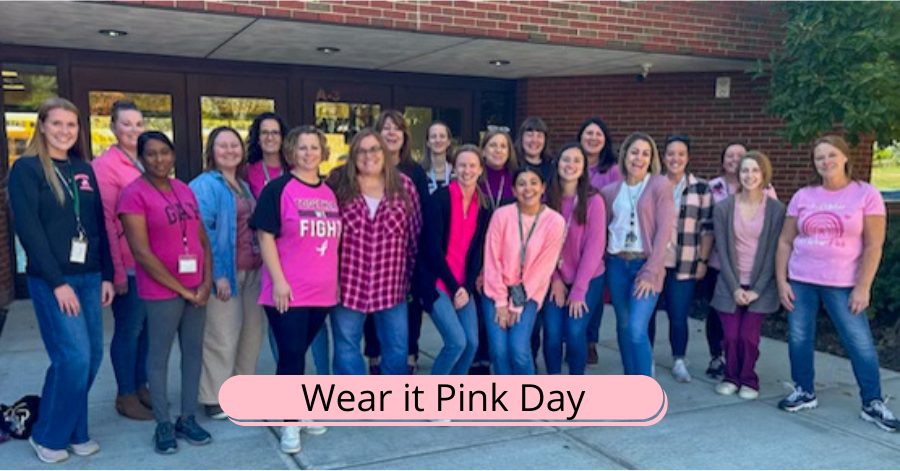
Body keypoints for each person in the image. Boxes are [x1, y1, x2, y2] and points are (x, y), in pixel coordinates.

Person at [9, 97, 114, 463]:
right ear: (41, 126)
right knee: (74, 357)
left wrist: (108, 275)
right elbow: (29, 230)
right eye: (57, 124)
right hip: (54, 280)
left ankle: (75, 430)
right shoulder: (26, 169)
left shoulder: (82, 168)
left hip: (90, 275)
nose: (65, 131)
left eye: (71, 125)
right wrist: (57, 282)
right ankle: (49, 435)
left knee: (91, 356)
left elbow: (98, 225)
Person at [775, 135, 899, 432]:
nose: (826, 162)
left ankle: (872, 402)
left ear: (845, 157)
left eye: (831, 155)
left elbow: (873, 245)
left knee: (859, 342)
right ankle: (804, 391)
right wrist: (782, 281)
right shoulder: (804, 196)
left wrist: (863, 286)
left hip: (843, 283)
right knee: (799, 338)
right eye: (820, 157)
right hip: (802, 280)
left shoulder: (865, 194)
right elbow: (785, 240)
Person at [119, 131, 214, 454]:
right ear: (141, 158)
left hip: (196, 289)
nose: (159, 159)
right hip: (162, 291)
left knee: (193, 352)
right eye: (151, 154)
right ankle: (163, 421)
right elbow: (142, 254)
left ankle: (187, 417)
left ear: (173, 155)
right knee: (158, 356)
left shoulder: (184, 189)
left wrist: (205, 282)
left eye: (165, 152)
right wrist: (184, 292)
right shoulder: (133, 195)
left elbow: (202, 240)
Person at [250, 125, 338, 453]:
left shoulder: (328, 192)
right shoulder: (279, 188)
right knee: (290, 354)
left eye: (314, 147)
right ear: (291, 152)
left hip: (324, 291)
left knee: (296, 353)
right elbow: (264, 235)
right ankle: (290, 421)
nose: (308, 153)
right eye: (302, 147)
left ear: (322, 152)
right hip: (287, 290)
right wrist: (279, 281)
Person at [327, 128, 422, 376]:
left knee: (397, 347)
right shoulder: (337, 183)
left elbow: (414, 236)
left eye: (374, 149)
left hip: (391, 285)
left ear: (384, 151)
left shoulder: (404, 187)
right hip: (348, 284)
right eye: (361, 150)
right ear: (352, 155)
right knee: (346, 346)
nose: (369, 155)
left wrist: (410, 278)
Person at [189, 127, 265, 420]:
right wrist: (217, 274)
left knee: (251, 335)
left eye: (234, 145)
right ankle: (214, 397)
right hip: (226, 273)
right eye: (223, 146)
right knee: (221, 336)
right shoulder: (205, 185)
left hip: (253, 271)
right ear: (211, 151)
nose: (229, 151)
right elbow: (202, 232)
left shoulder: (243, 185)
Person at [91, 100, 153, 420]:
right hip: (127, 264)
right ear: (113, 127)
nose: (133, 130)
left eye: (138, 124)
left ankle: (141, 386)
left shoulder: (145, 162)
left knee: (146, 329)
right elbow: (106, 221)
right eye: (126, 124)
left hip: (152, 264)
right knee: (129, 329)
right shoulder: (106, 166)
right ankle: (125, 395)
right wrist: (115, 271)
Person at [710, 151, 785, 400]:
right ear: (737, 175)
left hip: (761, 285)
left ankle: (748, 379)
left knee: (748, 337)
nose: (750, 176)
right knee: (730, 336)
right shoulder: (723, 208)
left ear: (764, 174)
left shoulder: (776, 210)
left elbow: (774, 250)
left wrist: (757, 289)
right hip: (730, 283)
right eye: (745, 171)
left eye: (755, 170)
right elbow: (721, 249)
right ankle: (731, 376)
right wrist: (734, 288)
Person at [600, 132, 675, 377]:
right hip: (617, 265)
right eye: (634, 152)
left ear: (651, 158)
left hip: (645, 265)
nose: (639, 158)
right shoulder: (610, 191)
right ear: (625, 155)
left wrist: (651, 271)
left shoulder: (659, 185)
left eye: (645, 153)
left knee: (636, 328)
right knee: (623, 326)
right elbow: (605, 231)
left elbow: (664, 231)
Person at [483, 167, 565, 375]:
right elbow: (492, 259)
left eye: (533, 183)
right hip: (496, 290)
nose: (528, 189)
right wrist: (501, 302)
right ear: (514, 190)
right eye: (521, 184)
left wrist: (515, 304)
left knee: (518, 349)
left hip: (529, 294)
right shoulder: (501, 215)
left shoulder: (554, 221)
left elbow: (542, 269)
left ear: (543, 188)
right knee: (499, 350)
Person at [419, 144, 492, 376]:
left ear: (480, 170)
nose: (467, 170)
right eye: (462, 165)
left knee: (471, 343)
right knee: (456, 342)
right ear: (454, 168)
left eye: (472, 165)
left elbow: (478, 252)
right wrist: (454, 287)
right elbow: (432, 250)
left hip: (463, 285)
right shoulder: (439, 199)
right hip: (438, 283)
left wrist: (467, 287)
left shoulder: (483, 206)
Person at [648, 135, 713, 383]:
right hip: (656, 263)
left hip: (685, 261)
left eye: (681, 154)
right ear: (663, 157)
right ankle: (648, 360)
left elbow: (707, 228)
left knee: (678, 314)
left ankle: (679, 360)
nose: (676, 159)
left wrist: (703, 261)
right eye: (671, 154)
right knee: (649, 314)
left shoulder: (701, 188)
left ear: (688, 157)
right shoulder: (653, 184)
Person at [372, 110, 429, 375]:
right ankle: (374, 361)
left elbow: (419, 218)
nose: (391, 133)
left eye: (397, 128)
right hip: (370, 259)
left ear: (404, 135)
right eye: (386, 128)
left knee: (407, 312)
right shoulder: (366, 167)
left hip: (403, 259)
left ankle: (408, 359)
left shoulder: (414, 172)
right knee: (371, 316)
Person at [542, 142, 607, 375]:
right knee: (551, 333)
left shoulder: (594, 201)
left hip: (588, 278)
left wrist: (579, 290)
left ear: (584, 167)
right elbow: (540, 246)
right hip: (553, 275)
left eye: (576, 161)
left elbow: (595, 248)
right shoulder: (545, 198)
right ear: (557, 163)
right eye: (566, 159)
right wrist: (555, 279)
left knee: (575, 332)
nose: (570, 165)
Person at [471, 129, 519, 374]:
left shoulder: (518, 179)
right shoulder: (475, 179)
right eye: (492, 145)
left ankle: (515, 359)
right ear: (484, 150)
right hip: (477, 254)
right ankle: (478, 363)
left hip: (511, 259)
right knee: (481, 313)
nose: (498, 150)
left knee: (513, 311)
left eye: (503, 146)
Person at [576, 117, 622, 365]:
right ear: (580, 138)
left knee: (593, 295)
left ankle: (589, 341)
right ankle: (572, 339)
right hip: (570, 240)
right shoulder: (572, 163)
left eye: (598, 134)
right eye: (588, 133)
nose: (593, 138)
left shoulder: (613, 170)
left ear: (605, 140)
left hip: (601, 240)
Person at [246, 112, 290, 199]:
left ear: (282, 138)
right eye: (264, 132)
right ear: (258, 138)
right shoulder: (248, 172)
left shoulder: (294, 170)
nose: (270, 138)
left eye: (275, 133)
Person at [422, 121, 455, 194]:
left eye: (442, 136)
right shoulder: (420, 173)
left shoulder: (457, 173)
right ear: (428, 142)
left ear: (448, 142)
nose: (438, 140)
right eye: (433, 137)